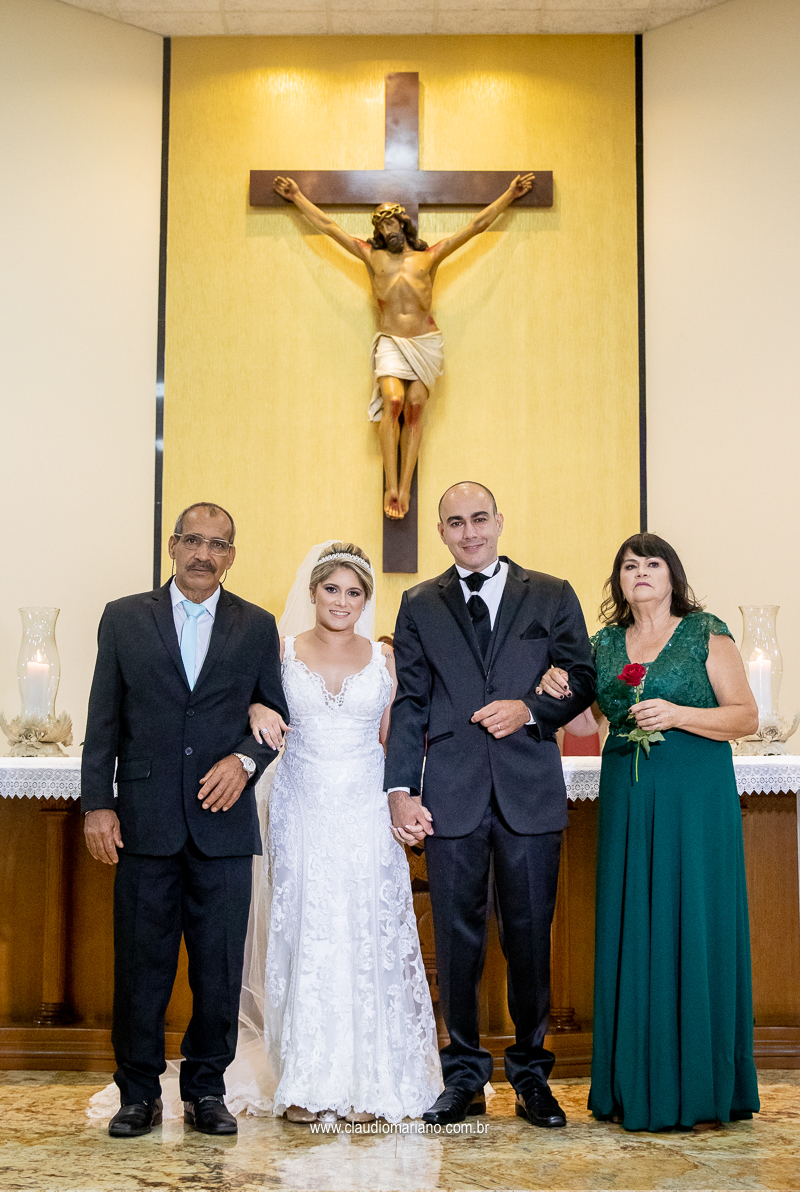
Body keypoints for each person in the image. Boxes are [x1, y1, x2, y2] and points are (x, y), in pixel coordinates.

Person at [384, 482, 596, 1127]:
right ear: (441, 533)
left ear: (499, 521)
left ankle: (532, 1078)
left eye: (480, 519)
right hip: (451, 793)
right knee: (456, 943)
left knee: (529, 938)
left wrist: (529, 709)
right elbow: (411, 701)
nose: (470, 532)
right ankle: (464, 1078)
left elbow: (583, 677)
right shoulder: (419, 603)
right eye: (456, 523)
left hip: (528, 791)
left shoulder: (551, 593)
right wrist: (400, 790)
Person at [538, 532, 761, 1132]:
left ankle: (702, 1082)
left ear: (672, 576)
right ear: (619, 580)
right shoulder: (604, 643)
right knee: (633, 917)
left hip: (696, 793)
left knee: (694, 915)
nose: (640, 571)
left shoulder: (705, 632)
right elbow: (586, 722)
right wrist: (554, 685)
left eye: (652, 563)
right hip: (629, 794)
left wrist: (679, 714)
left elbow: (745, 716)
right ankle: (633, 1080)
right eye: (629, 565)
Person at [81, 502, 288, 1138]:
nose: (204, 553)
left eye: (218, 544)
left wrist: (244, 762)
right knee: (140, 967)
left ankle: (206, 1090)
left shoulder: (257, 625)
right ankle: (138, 1093)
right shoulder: (124, 617)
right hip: (144, 822)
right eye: (193, 540)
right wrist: (97, 804)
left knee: (218, 969)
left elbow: (274, 716)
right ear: (172, 546)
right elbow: (102, 720)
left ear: (232, 556)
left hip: (223, 825)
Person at [247, 542, 441, 1124]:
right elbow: (252, 704)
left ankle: (372, 1079)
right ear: (312, 592)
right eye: (331, 589)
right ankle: (306, 1082)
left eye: (354, 592)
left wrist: (406, 799)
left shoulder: (385, 658)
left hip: (364, 806)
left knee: (366, 927)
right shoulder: (280, 650)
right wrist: (255, 709)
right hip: (301, 804)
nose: (341, 601)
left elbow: (396, 736)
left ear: (366, 600)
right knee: (308, 926)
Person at [273, 175, 533, 519]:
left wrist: (510, 195)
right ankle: (390, 486)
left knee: (414, 407)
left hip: (424, 343)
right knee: (393, 401)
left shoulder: (429, 257)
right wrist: (297, 197)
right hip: (391, 341)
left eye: (391, 222)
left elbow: (475, 226)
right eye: (381, 225)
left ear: (403, 223)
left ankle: (404, 488)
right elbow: (328, 227)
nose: (387, 229)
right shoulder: (372, 256)